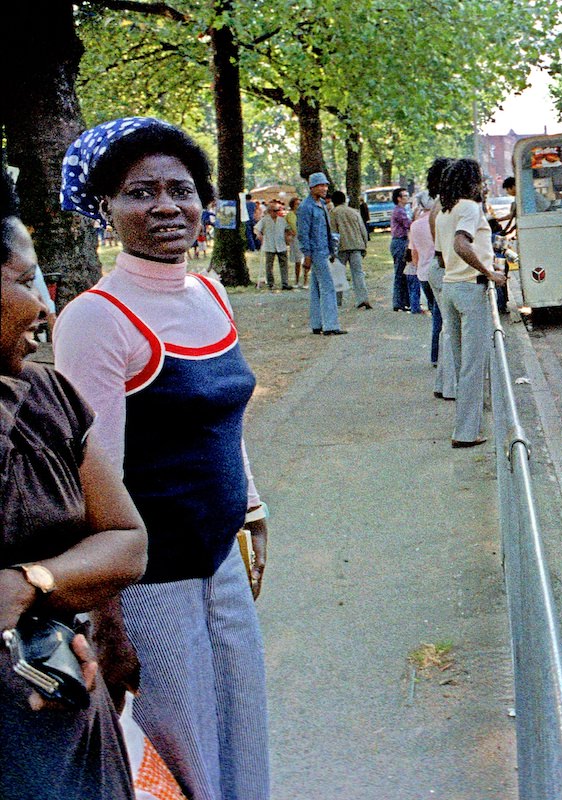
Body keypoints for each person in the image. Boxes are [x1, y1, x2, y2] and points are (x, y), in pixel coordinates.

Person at [54, 116, 271, 800]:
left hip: (220, 565)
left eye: (181, 189)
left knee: (244, 747)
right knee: (184, 770)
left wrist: (253, 508)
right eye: (139, 192)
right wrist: (106, 620)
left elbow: (225, 424)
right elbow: (96, 478)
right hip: (151, 591)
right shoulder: (96, 318)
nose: (166, 206)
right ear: (105, 210)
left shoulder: (210, 292)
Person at [1, 166, 147, 800]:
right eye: (25, 281)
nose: (45, 304)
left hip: (60, 708)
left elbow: (126, 539)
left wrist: (31, 584)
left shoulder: (48, 396)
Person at [434, 158, 507, 448]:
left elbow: (442, 255)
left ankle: (469, 421)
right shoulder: (469, 208)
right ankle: (466, 432)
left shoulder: (444, 212)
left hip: (450, 287)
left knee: (462, 362)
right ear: (471, 181)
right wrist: (488, 271)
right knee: (473, 365)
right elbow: (461, 244)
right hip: (470, 289)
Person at [297, 172, 346, 334]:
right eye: (321, 185)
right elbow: (303, 233)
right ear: (312, 187)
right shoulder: (305, 207)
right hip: (316, 252)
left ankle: (317, 324)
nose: (325, 188)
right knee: (328, 287)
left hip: (325, 250)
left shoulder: (322, 204)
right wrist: (307, 255)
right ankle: (331, 326)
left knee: (317, 289)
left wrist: (332, 250)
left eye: (326, 185)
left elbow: (326, 229)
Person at [424, 158, 456, 401]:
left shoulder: (437, 205)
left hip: (437, 266)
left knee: (448, 328)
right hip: (444, 267)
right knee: (453, 330)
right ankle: (452, 386)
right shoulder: (445, 206)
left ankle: (445, 382)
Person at [409, 192, 441, 366]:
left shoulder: (415, 226)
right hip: (438, 271)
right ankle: (437, 354)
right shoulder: (438, 220)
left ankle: (436, 354)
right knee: (439, 314)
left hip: (423, 272)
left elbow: (414, 254)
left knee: (434, 309)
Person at [329, 190, 371, 309]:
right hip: (356, 245)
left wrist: (332, 251)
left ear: (333, 201)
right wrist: (364, 246)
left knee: (338, 273)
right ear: (344, 200)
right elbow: (363, 229)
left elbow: (333, 232)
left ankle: (337, 301)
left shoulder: (333, 213)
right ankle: (362, 298)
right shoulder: (354, 212)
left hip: (341, 247)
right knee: (358, 273)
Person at [253, 199, 293, 290]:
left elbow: (288, 229)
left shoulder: (282, 220)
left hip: (281, 245)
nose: (277, 212)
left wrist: (289, 236)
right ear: (270, 211)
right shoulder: (265, 220)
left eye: (278, 210)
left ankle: (285, 283)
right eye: (275, 211)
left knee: (284, 264)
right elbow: (256, 228)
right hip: (269, 245)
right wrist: (258, 234)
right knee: (269, 266)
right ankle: (271, 283)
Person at [390, 187, 412, 311]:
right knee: (400, 273)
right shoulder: (399, 211)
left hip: (402, 241)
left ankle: (404, 301)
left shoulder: (403, 210)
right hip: (399, 242)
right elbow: (408, 224)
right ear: (399, 198)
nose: (407, 198)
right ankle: (398, 302)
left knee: (404, 273)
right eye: (405, 196)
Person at [286, 197, 306, 288]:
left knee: (306, 259)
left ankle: (305, 281)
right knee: (297, 261)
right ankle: (297, 281)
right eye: (297, 204)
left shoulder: (304, 214)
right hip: (295, 239)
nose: (299, 205)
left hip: (305, 237)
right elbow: (285, 226)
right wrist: (289, 232)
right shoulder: (289, 215)